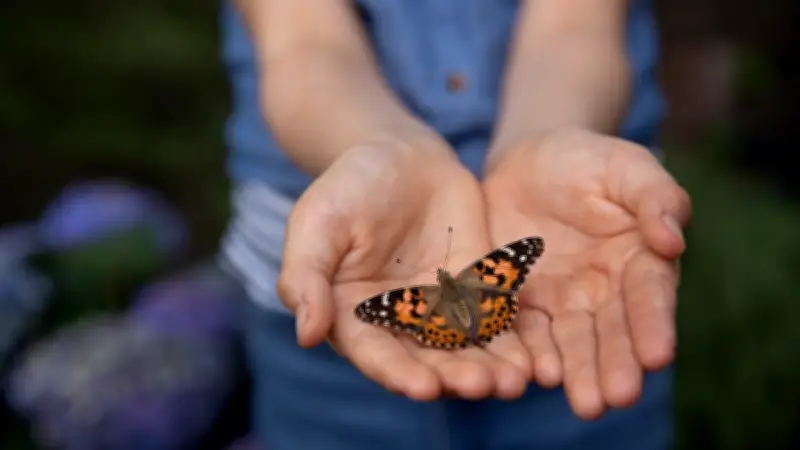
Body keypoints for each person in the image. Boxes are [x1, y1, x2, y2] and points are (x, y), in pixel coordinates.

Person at [219, 0, 691, 449]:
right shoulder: (487, 273)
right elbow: (302, 40)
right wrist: (381, 144)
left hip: (582, 263)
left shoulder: (416, 302)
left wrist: (540, 136)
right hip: (336, 287)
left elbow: (576, 27)